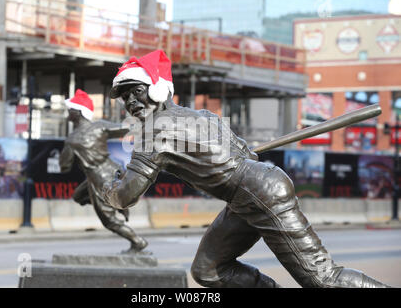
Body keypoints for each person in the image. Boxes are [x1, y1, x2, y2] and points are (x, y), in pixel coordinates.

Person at [101, 49, 390, 288]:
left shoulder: (150, 131)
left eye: (136, 91)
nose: (130, 102)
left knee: (324, 280)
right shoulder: (200, 116)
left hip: (256, 191)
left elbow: (126, 195)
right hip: (248, 192)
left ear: (157, 90)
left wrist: (107, 189)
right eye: (124, 97)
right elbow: (245, 153)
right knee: (208, 269)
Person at [60, 89, 149, 254]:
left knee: (109, 222)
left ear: (77, 112)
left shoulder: (71, 140)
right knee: (78, 196)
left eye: (69, 110)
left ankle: (138, 242)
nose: (67, 114)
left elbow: (64, 167)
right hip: (114, 170)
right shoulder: (100, 126)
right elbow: (125, 129)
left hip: (98, 179)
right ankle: (114, 204)